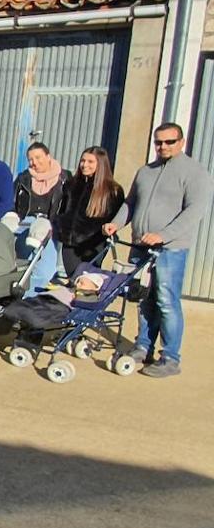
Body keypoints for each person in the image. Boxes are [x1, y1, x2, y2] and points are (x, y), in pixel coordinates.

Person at [105, 122, 214, 378]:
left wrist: (163, 236)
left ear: (181, 142)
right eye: (159, 142)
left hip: (170, 250)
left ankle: (171, 358)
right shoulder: (145, 171)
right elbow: (130, 203)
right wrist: (116, 223)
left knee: (166, 301)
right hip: (140, 246)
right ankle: (143, 346)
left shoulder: (194, 173)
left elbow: (194, 212)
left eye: (169, 142)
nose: (163, 147)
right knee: (143, 298)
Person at [56, 146, 123, 275]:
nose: (84, 165)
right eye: (83, 160)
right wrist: (61, 228)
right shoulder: (71, 185)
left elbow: (115, 218)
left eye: (90, 162)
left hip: (93, 245)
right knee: (73, 279)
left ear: (101, 164)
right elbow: (63, 211)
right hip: (70, 244)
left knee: (87, 283)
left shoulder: (112, 190)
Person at [12, 141, 70, 291]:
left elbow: (68, 206)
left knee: (44, 271)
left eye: (38, 157)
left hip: (50, 227)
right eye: (30, 159)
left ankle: (27, 302)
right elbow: (12, 203)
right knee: (22, 267)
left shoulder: (65, 178)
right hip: (26, 224)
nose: (34, 162)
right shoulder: (23, 178)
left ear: (48, 156)